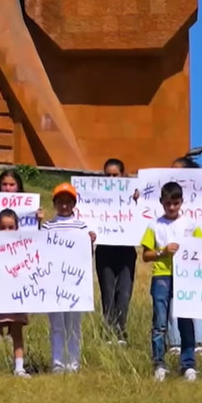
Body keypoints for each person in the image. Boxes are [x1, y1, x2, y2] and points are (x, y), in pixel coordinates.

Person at [142, 181, 202, 381]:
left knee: (186, 321)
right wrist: (163, 251)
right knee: (160, 322)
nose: (171, 207)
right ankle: (159, 364)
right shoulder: (155, 225)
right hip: (162, 275)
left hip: (185, 277)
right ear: (161, 202)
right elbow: (145, 254)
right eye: (168, 203)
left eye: (175, 203)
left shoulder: (190, 224)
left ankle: (188, 364)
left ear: (181, 203)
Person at [44, 183, 98, 373]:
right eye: (60, 201)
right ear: (55, 203)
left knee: (74, 325)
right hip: (53, 282)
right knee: (57, 325)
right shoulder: (47, 227)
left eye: (68, 202)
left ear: (74, 203)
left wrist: (90, 242)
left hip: (75, 284)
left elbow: (86, 257)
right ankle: (58, 362)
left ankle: (73, 362)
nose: (64, 205)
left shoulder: (82, 227)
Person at [167, 156, 202, 356]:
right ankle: (175, 341)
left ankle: (199, 340)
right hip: (170, 262)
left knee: (196, 298)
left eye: (178, 170)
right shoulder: (165, 193)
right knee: (174, 300)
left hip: (195, 260)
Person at [0, 208, 29, 377]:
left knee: (17, 330)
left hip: (17, 295)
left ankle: (19, 367)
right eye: (3, 227)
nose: (7, 231)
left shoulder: (23, 246)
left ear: (17, 228)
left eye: (11, 227)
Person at [94, 158, 138, 345]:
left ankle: (120, 331)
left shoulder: (134, 195)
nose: (112, 178)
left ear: (124, 175)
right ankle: (109, 333)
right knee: (108, 292)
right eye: (108, 175)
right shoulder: (96, 195)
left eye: (115, 175)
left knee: (124, 292)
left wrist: (138, 201)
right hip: (104, 250)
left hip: (126, 250)